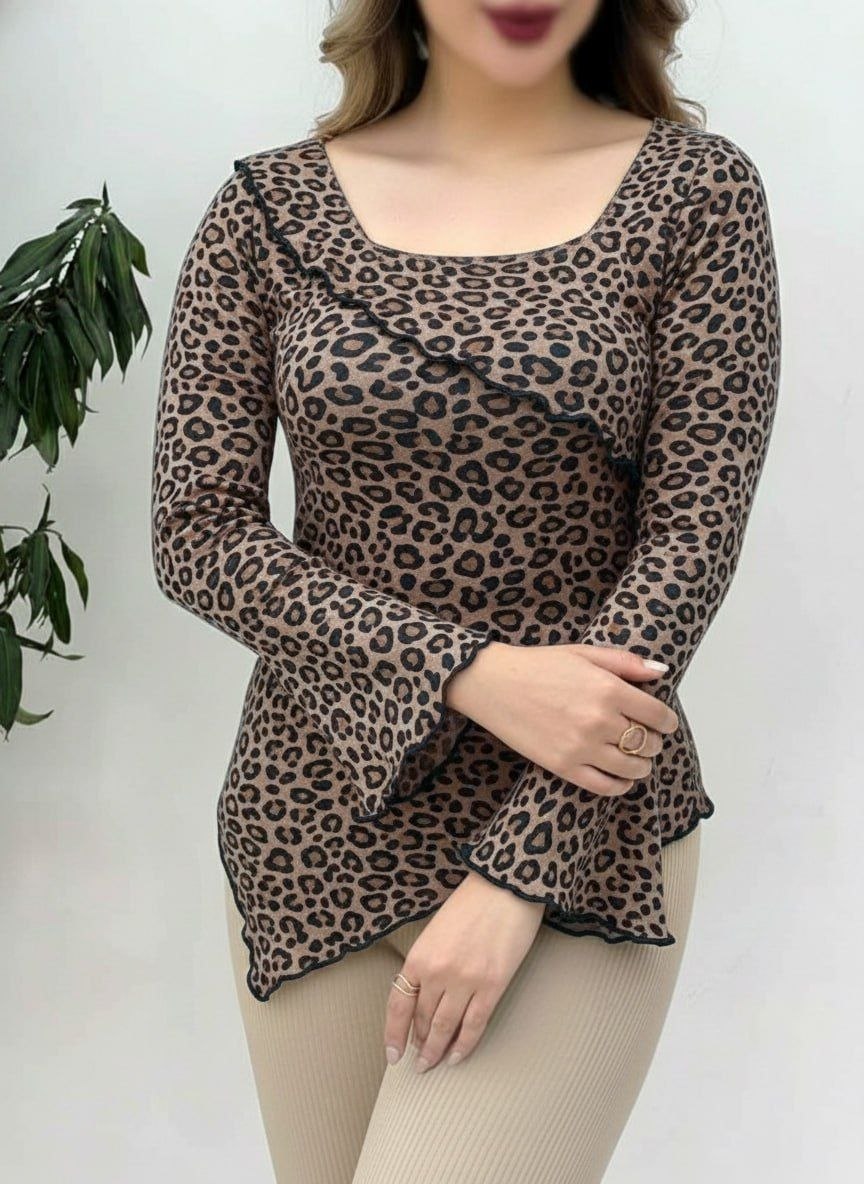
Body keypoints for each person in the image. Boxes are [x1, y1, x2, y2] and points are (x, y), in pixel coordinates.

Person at [150, 1, 782, 1180]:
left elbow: (689, 546)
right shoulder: (267, 207)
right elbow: (199, 533)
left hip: (583, 825)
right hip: (310, 814)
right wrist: (467, 671)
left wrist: (515, 875)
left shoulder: (696, 193)